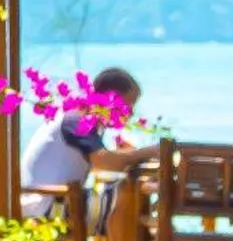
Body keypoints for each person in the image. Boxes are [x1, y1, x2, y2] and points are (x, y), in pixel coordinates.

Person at [19, 67, 161, 221]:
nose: (131, 113)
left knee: (127, 195)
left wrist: (128, 156)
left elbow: (102, 162)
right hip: (48, 206)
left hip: (49, 201)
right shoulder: (76, 120)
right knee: (123, 200)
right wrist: (147, 152)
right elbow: (104, 162)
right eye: (129, 104)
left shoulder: (77, 117)